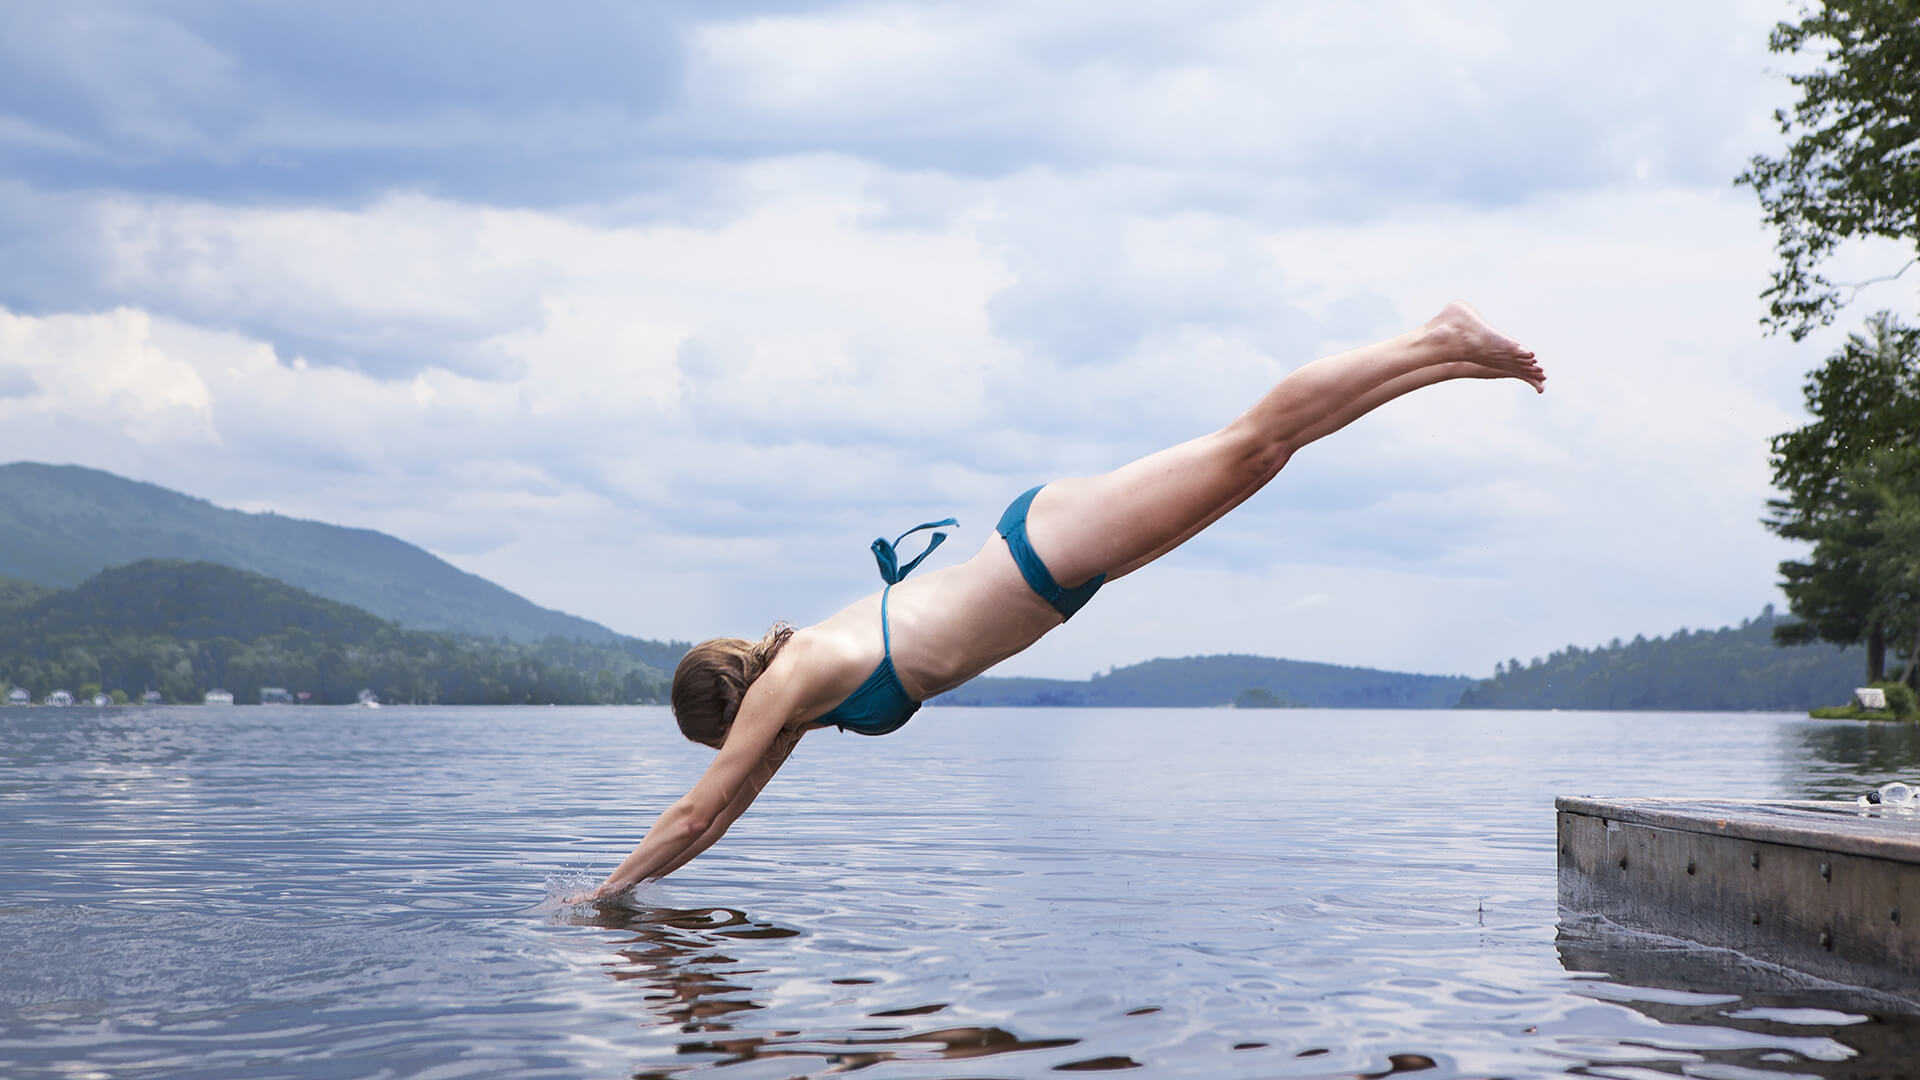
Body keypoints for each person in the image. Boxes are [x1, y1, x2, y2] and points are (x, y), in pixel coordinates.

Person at [578, 301, 1543, 900]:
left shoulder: (792, 680)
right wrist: (631, 898)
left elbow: (697, 813)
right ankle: (1446, 362)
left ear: (731, 710)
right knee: (1265, 462)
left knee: (1249, 441)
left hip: (1044, 551)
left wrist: (597, 896)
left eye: (722, 740)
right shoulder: (793, 698)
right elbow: (728, 809)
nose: (733, 757)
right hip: (1060, 573)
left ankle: (1436, 337)